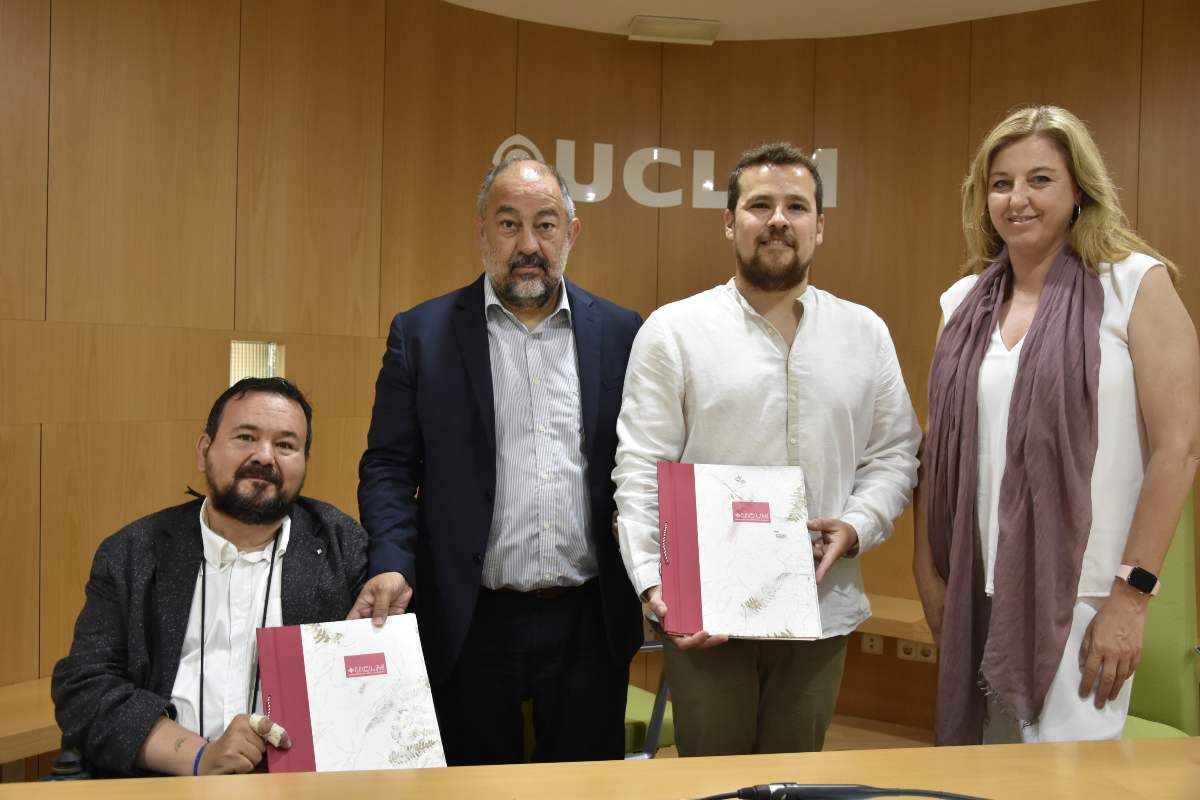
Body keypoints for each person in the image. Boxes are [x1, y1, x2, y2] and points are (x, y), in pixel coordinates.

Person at [613, 142, 921, 756]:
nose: (778, 219)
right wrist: (655, 589)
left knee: (797, 785)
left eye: (796, 206)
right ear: (730, 221)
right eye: (759, 204)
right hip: (707, 618)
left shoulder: (865, 333)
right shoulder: (673, 331)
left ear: (819, 226)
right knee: (711, 784)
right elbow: (641, 471)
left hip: (821, 610)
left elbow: (894, 456)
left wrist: (856, 527)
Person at [916, 105, 1200, 745]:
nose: (1017, 198)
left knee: (1065, 785)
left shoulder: (1134, 285)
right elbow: (937, 453)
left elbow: (1179, 451)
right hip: (976, 589)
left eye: (1040, 179)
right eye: (1001, 182)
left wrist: (1132, 599)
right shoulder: (961, 304)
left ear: (1079, 191)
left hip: (1086, 596)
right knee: (981, 779)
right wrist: (928, 573)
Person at [353, 157, 644, 765]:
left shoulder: (622, 333)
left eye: (546, 224)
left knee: (586, 791)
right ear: (481, 231)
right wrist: (390, 560)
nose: (528, 244)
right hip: (468, 616)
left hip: (589, 617)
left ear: (572, 231)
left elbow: (644, 461)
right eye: (509, 225)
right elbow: (388, 466)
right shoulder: (422, 334)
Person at [52, 377, 368, 776]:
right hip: (162, 779)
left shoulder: (344, 549)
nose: (265, 457)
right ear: (205, 452)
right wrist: (200, 756)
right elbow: (85, 688)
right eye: (245, 437)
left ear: (304, 461)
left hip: (295, 786)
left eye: (286, 445)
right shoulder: (133, 553)